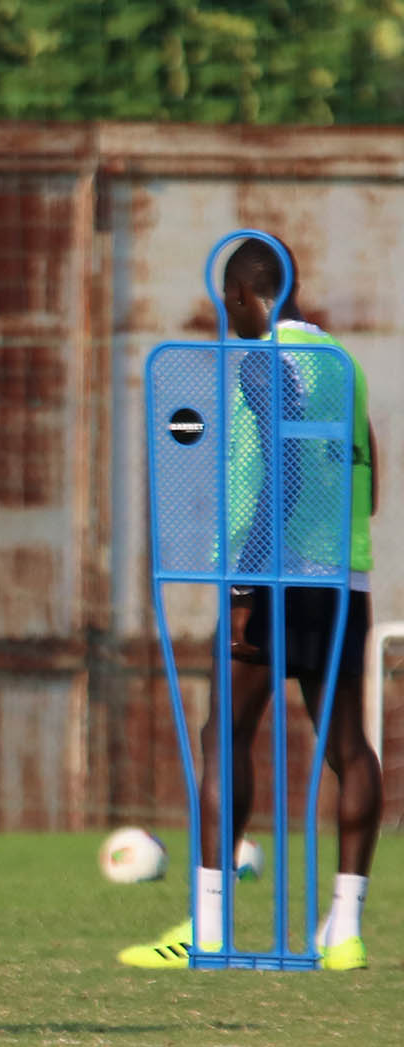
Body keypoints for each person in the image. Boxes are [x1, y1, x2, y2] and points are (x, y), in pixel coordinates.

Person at [121, 235, 381, 971]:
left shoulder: (264, 363)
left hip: (273, 575)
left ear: (239, 296)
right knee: (348, 747)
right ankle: (344, 930)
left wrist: (246, 585)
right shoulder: (343, 364)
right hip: (342, 576)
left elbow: (283, 470)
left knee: (225, 737)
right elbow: (368, 470)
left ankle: (208, 929)